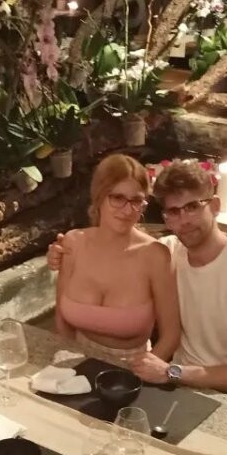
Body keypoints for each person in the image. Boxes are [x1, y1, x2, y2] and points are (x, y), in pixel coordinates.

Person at [50, 156, 227, 400]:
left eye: (193, 207)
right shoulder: (169, 251)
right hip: (178, 379)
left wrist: (171, 372)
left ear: (215, 206)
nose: (184, 220)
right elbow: (123, 249)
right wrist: (58, 254)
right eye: (174, 211)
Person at [53, 152, 181, 368]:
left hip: (132, 369)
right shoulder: (72, 243)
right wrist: (71, 363)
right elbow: (61, 319)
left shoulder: (154, 255)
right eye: (118, 198)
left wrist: (140, 374)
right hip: (75, 361)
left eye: (136, 201)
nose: (127, 210)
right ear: (99, 197)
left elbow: (171, 336)